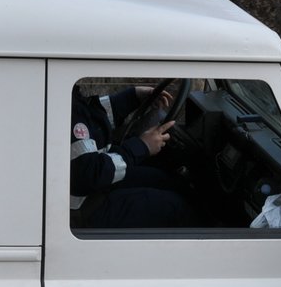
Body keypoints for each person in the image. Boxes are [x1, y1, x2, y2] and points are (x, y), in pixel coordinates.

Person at [71, 84, 195, 229]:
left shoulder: (69, 96)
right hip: (83, 207)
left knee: (168, 181)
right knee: (175, 208)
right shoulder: (64, 105)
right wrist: (141, 147)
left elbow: (93, 119)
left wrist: (132, 97)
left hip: (96, 185)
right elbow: (89, 173)